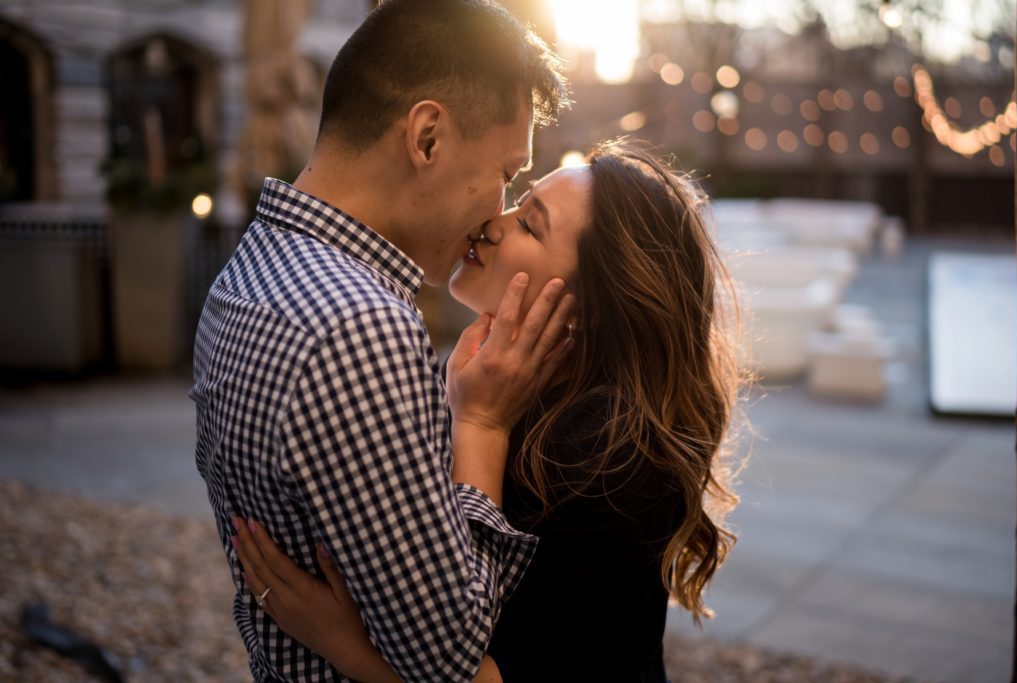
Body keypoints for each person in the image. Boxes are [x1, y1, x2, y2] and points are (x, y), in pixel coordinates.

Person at [232, 140, 745, 682]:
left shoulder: (620, 462)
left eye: (530, 225)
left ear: (590, 308)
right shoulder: (505, 386)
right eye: (517, 202)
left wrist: (345, 645)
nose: (493, 224)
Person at [189, 1, 572, 681]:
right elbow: (451, 653)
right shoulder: (360, 326)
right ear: (426, 138)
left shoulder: (246, 271)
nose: (496, 212)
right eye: (506, 174)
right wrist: (481, 424)